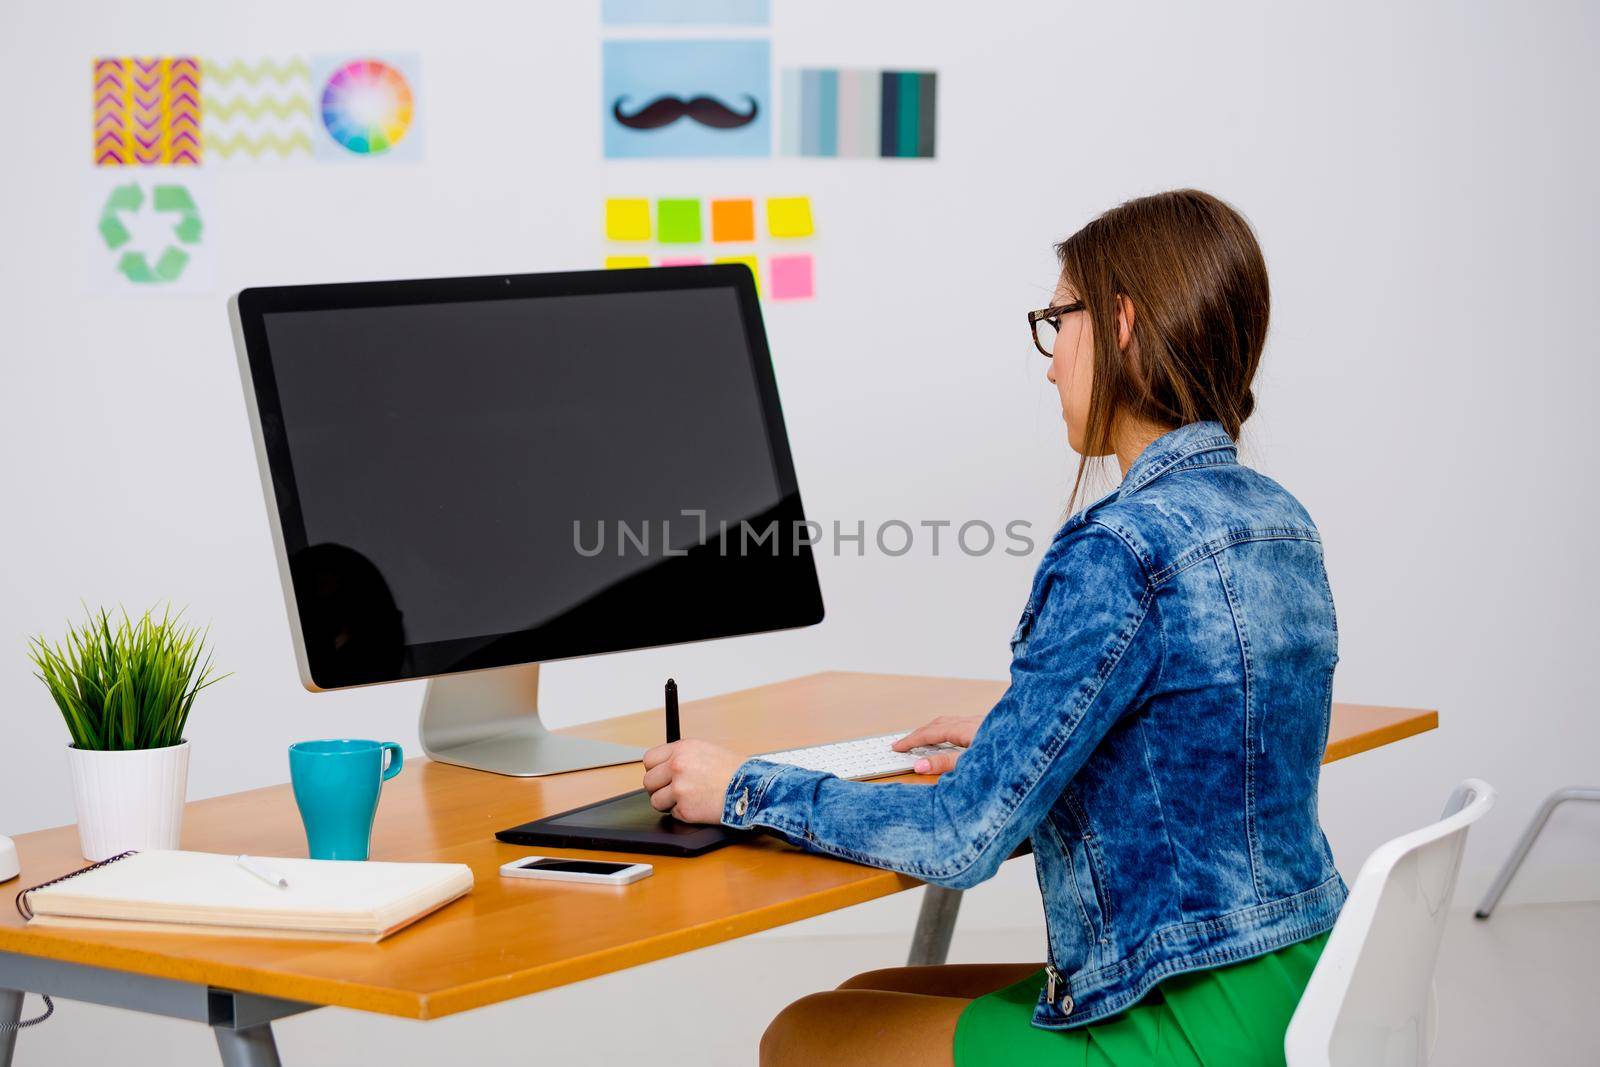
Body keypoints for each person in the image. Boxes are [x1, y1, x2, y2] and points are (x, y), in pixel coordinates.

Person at [642, 189, 1344, 1066]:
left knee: (802, 1036)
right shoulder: (1279, 519)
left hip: (1190, 1021)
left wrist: (743, 784)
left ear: (1120, 323)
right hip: (1310, 978)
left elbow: (959, 841)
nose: (1050, 364)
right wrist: (1027, 736)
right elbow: (1210, 728)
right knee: (860, 999)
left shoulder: (1121, 547)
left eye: (1059, 321)